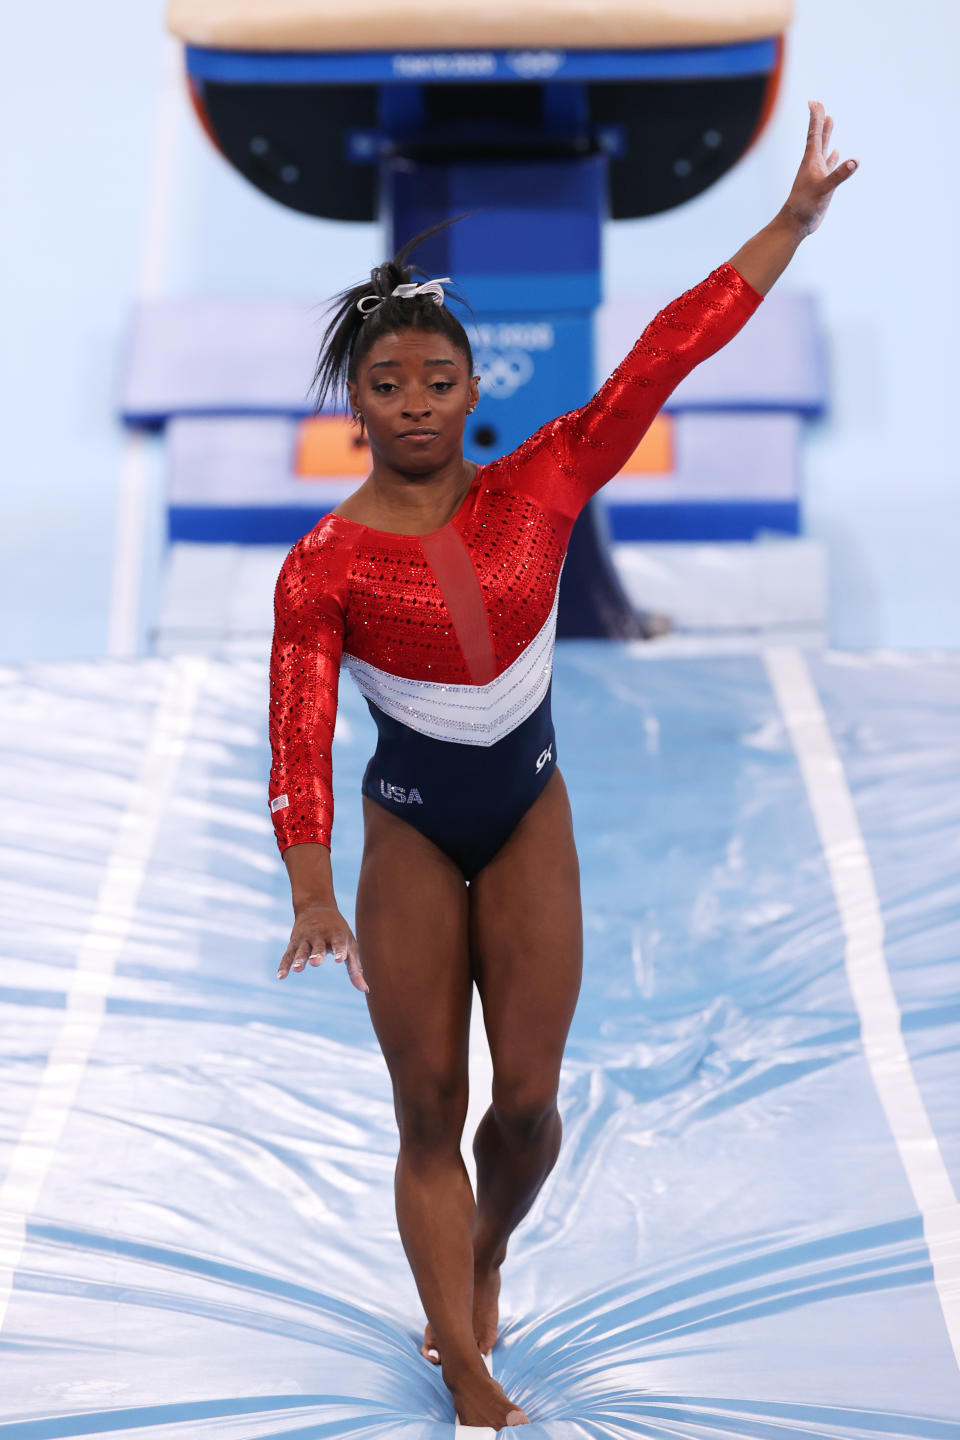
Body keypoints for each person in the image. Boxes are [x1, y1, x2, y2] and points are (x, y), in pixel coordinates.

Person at [268, 101, 856, 1430]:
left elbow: (662, 357)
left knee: (526, 1108)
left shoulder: (544, 481)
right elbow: (297, 727)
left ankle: (482, 1251)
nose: (414, 403)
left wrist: (791, 221)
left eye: (437, 380)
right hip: (411, 828)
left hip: (526, 811)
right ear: (353, 404)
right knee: (433, 1106)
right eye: (387, 384)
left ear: (476, 389)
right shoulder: (322, 567)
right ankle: (466, 1366)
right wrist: (312, 883)